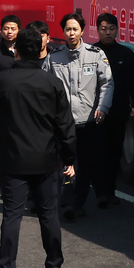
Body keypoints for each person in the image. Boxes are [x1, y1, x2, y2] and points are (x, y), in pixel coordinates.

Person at [0, 27, 76, 268]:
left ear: (15, 50)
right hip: (45, 158)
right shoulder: (52, 83)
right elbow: (65, 126)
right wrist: (68, 158)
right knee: (48, 214)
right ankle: (55, 265)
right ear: (41, 51)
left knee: (12, 214)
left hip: (12, 158)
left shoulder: (1, 81)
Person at [43, 13, 112, 221]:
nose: (71, 33)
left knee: (85, 164)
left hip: (87, 121)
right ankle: (63, 199)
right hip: (62, 123)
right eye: (67, 29)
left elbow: (107, 83)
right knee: (62, 163)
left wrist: (102, 107)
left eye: (75, 29)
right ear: (63, 32)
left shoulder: (96, 54)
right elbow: (44, 87)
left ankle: (77, 203)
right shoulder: (53, 58)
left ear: (82, 30)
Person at [95, 13, 134, 208]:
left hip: (118, 111)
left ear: (117, 30)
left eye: (111, 29)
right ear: (98, 30)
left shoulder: (126, 54)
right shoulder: (92, 52)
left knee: (115, 153)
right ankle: (100, 192)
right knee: (99, 153)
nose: (108, 32)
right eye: (103, 29)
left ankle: (110, 190)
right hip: (96, 114)